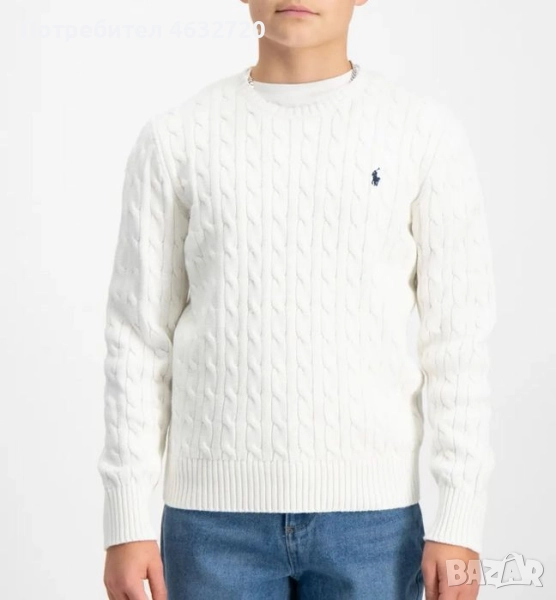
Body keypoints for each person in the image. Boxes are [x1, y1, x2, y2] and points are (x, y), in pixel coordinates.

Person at [98, 1, 497, 598]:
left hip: (375, 524)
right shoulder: (176, 139)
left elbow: (457, 338)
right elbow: (138, 337)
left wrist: (460, 520)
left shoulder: (421, 134)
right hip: (211, 526)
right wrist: (127, 519)